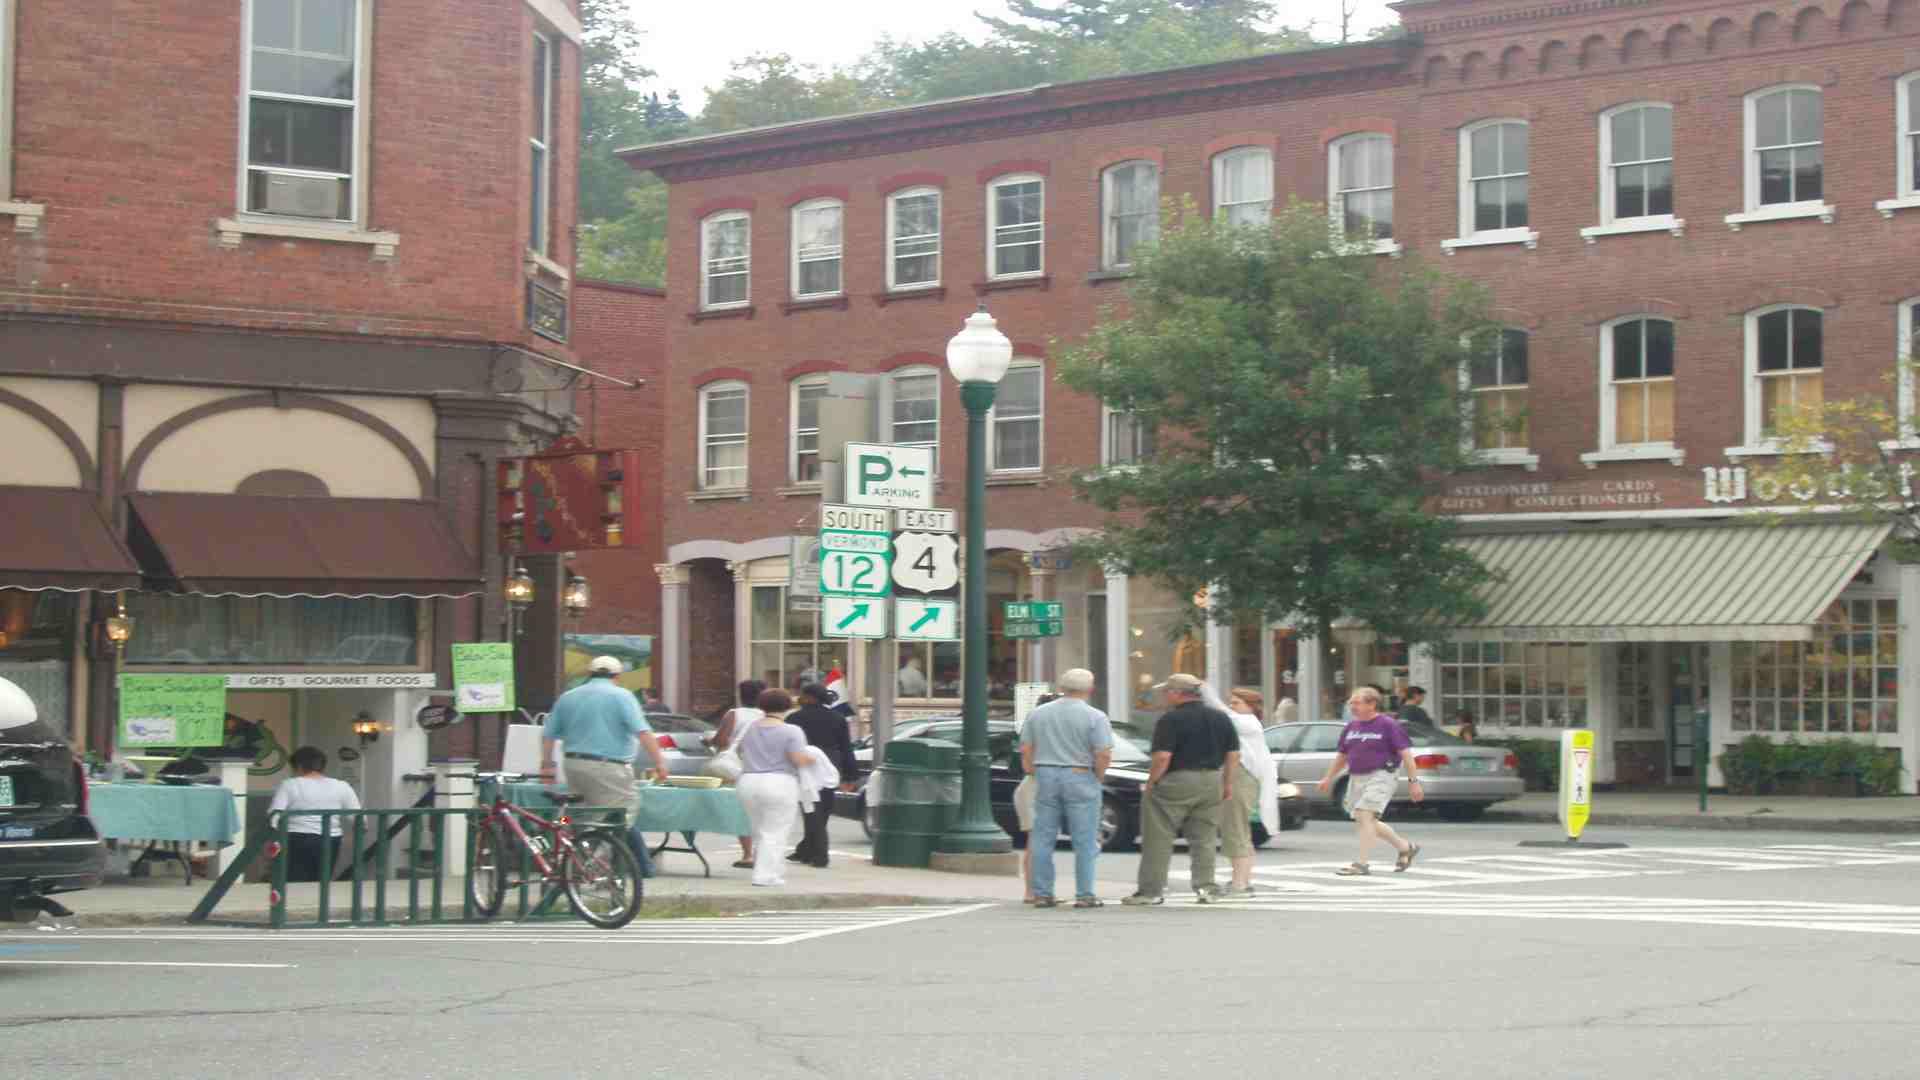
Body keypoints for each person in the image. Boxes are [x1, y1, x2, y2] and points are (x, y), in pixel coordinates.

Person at [542, 655, 669, 878]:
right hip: (608, 767)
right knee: (622, 814)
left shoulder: (568, 697)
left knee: (578, 813)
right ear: (617, 676)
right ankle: (597, 860)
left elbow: (549, 734)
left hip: (573, 764)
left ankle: (566, 834)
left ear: (589, 674)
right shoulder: (621, 696)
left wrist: (547, 766)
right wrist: (659, 762)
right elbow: (643, 731)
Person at [1124, 673, 1239, 906]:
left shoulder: (1170, 720)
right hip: (1211, 780)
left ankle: (1151, 891)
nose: (1164, 695)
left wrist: (1152, 782)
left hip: (1177, 779)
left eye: (1167, 691)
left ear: (1177, 693)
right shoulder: (1221, 717)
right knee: (1204, 838)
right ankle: (1206, 887)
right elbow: (1233, 755)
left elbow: (1163, 756)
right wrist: (1227, 784)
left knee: (1158, 836)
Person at [1021, 671, 1115, 909]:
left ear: (1062, 687)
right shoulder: (1095, 716)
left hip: (1046, 773)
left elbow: (1026, 749)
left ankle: (1042, 893)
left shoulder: (1038, 714)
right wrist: (1098, 776)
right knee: (1085, 840)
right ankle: (1084, 894)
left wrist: (1033, 770)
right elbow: (1103, 752)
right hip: (1080, 773)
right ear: (1090, 689)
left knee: (1043, 837)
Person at [1317, 685, 1424, 876]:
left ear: (1372, 704)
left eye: (1357, 702)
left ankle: (1362, 864)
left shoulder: (1388, 724)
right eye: (1351, 702)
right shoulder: (1351, 727)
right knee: (1363, 819)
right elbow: (1342, 755)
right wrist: (1328, 777)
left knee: (1365, 815)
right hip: (1357, 776)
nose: (1352, 706)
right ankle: (1405, 847)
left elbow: (1407, 755)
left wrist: (1413, 781)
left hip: (1382, 775)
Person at [734, 689, 814, 887]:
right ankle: (765, 875)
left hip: (748, 781)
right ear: (787, 706)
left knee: (759, 830)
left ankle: (768, 871)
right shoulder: (792, 731)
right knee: (775, 830)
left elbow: (738, 750)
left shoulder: (749, 727)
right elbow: (797, 759)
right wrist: (812, 759)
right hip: (779, 781)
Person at [1215, 685, 1279, 898]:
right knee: (1242, 832)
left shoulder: (1247, 723)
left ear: (1250, 706)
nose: (1231, 706)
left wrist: (1205, 691)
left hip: (1241, 778)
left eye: (1236, 703)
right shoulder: (1246, 723)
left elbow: (1223, 713)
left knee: (1235, 831)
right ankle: (1242, 879)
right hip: (1245, 779)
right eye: (1231, 702)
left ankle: (1239, 884)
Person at [785, 683, 858, 868]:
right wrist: (850, 775)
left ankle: (818, 853)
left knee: (810, 810)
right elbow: (846, 748)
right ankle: (806, 849)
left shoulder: (794, 718)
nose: (800, 698)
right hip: (830, 767)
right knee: (823, 811)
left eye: (803, 695)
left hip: (806, 765)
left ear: (810, 697)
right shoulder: (838, 718)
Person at [269, 746, 360, 882]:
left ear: (298, 766)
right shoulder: (342, 786)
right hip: (331, 839)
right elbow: (358, 818)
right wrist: (350, 839)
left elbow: (274, 815)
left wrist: (272, 839)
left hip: (296, 838)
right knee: (322, 882)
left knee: (295, 881)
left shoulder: (290, 784)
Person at [709, 679, 766, 869]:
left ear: (741, 695)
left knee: (743, 811)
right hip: (761, 768)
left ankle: (748, 854)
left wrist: (710, 741)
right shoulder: (767, 716)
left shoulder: (734, 714)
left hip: (737, 768)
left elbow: (722, 740)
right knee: (761, 812)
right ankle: (763, 853)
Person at [1011, 691, 1059, 904]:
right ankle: (1031, 891)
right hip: (1033, 787)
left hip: (1033, 786)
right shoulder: (1039, 730)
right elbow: (1027, 764)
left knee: (1040, 842)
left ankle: (1040, 889)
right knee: (1036, 842)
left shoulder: (1042, 729)